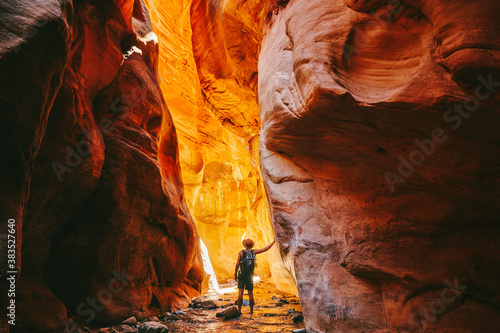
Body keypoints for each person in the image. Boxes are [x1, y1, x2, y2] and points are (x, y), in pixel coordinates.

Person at [234, 238, 275, 315]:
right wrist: (274, 242)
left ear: (245, 245)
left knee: (240, 293)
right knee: (250, 293)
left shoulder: (241, 253)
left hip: (242, 274)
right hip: (249, 275)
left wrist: (235, 274)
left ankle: (239, 310)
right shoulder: (254, 252)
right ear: (251, 246)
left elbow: (237, 264)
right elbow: (265, 249)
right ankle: (251, 311)